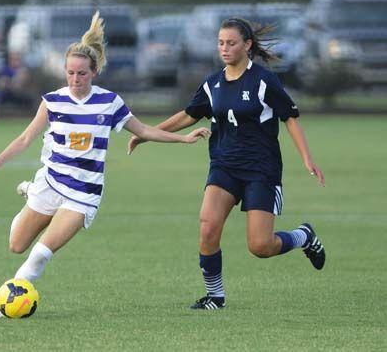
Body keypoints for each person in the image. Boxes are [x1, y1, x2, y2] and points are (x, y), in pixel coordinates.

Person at [0, 12, 210, 317]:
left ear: (93, 72)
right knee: (17, 245)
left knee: (41, 253)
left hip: (83, 193)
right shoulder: (53, 101)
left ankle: (9, 305)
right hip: (50, 182)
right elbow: (24, 139)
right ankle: (31, 193)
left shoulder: (109, 102)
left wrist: (183, 139)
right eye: (70, 73)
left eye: (81, 73)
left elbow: (143, 129)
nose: (75, 79)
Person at [128, 17, 326, 310]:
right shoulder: (213, 83)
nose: (224, 48)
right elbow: (188, 114)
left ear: (247, 45)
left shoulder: (263, 80)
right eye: (220, 42)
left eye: (231, 43)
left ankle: (303, 236)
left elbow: (290, 118)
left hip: (261, 170)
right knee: (207, 227)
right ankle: (215, 296)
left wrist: (307, 158)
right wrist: (149, 134)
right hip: (224, 166)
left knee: (260, 246)